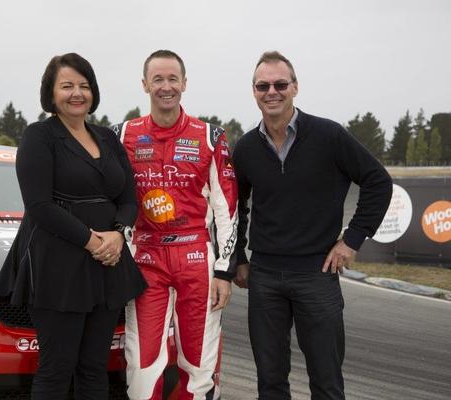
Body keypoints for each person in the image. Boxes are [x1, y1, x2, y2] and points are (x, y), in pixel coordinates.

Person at [232, 51, 393, 400]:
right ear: (254, 91)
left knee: (326, 381)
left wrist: (351, 240)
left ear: (295, 87)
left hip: (316, 274)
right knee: (270, 381)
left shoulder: (329, 136)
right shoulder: (244, 149)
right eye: (263, 85)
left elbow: (378, 181)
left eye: (280, 84)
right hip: (264, 278)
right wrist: (238, 259)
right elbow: (234, 208)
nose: (271, 91)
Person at [0, 52, 147, 400]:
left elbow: (129, 199)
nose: (77, 93)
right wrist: (94, 243)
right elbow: (39, 205)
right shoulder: (38, 137)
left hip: (107, 266)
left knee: (95, 368)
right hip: (57, 268)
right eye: (67, 86)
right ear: (51, 93)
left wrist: (118, 235)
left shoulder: (107, 138)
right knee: (56, 369)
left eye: (84, 85)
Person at [112, 50, 238, 400]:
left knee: (198, 366)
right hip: (146, 257)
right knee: (142, 366)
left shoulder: (211, 136)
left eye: (172, 79)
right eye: (157, 79)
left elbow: (227, 210)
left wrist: (225, 272)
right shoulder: (123, 135)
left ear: (183, 83)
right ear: (144, 85)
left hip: (196, 258)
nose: (165, 87)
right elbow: (113, 200)